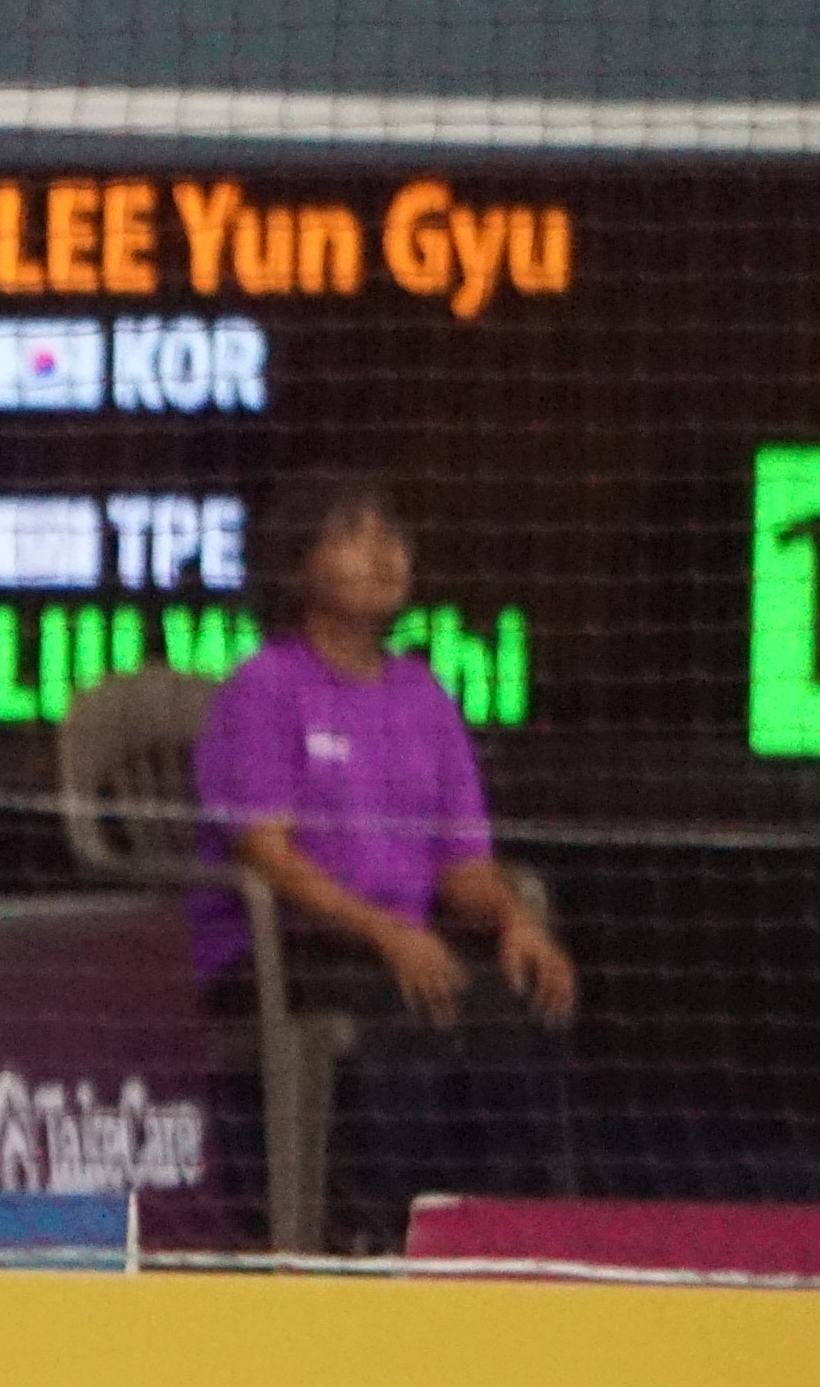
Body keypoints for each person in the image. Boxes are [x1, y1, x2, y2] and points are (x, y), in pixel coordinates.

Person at [198, 474, 579, 1246]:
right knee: (405, 1013)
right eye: (351, 534)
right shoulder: (264, 687)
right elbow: (266, 854)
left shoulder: (422, 696)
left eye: (390, 533)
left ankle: (521, 1239)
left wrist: (516, 922)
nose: (382, 550)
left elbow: (462, 868)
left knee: (519, 1004)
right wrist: (384, 933)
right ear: (299, 566)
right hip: (288, 951)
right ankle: (376, 1239)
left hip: (399, 942)